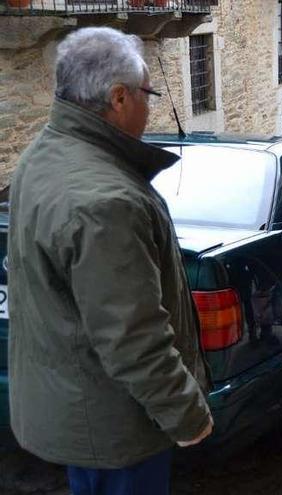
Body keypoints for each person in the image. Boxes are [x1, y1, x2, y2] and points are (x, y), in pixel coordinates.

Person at [7, 27, 213, 495]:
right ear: (119, 98)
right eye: (148, 93)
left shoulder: (42, 156)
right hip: (118, 426)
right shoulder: (105, 201)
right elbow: (133, 337)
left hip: (82, 412)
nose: (150, 105)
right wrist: (188, 416)